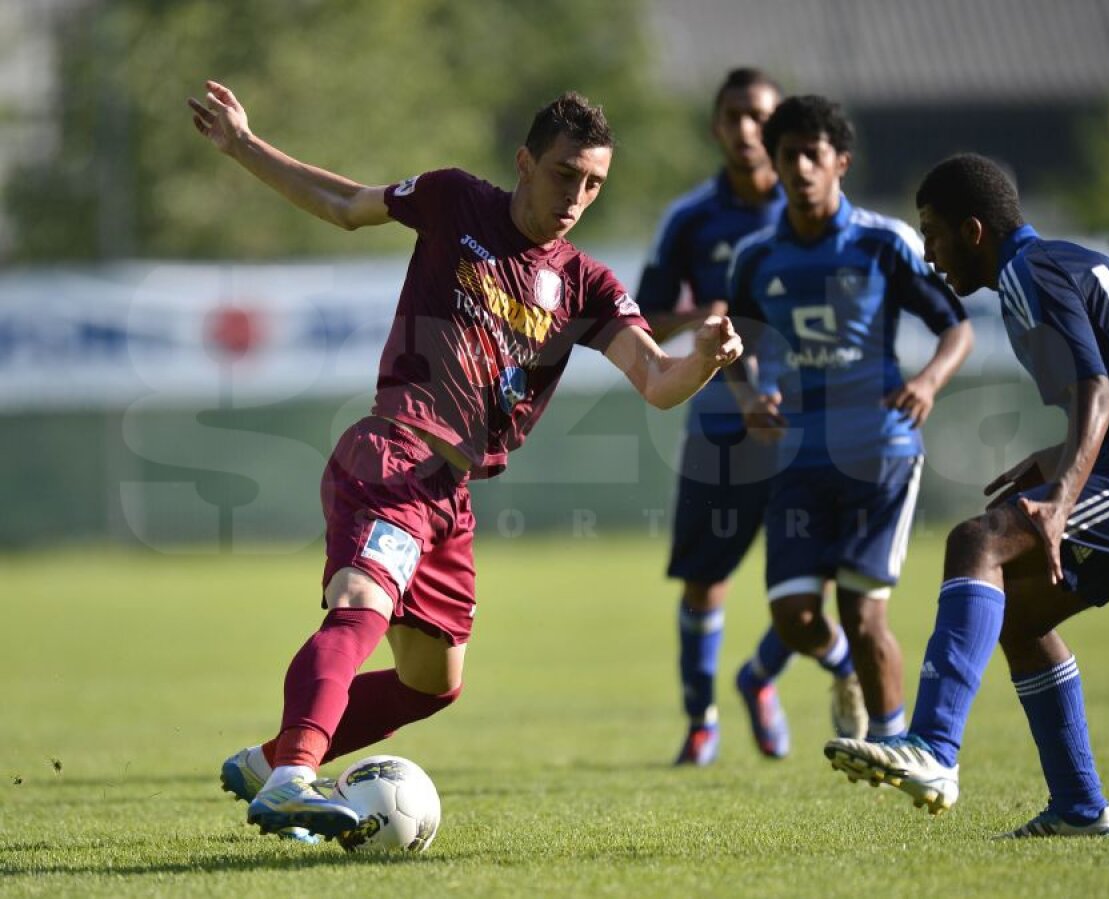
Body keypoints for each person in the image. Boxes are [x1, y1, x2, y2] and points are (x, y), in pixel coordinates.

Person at [186, 80, 744, 841]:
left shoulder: (587, 284)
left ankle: (268, 759)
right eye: (563, 174)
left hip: (449, 493)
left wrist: (706, 357)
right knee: (360, 602)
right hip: (393, 451)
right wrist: (246, 145)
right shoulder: (455, 201)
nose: (576, 196)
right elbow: (349, 206)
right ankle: (291, 780)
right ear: (523, 162)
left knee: (431, 683)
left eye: (592, 183)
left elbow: (655, 380)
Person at [824, 153, 1109, 838]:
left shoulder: (1027, 273)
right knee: (1020, 617)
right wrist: (1058, 460)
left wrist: (1060, 498)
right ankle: (1081, 807)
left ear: (973, 231)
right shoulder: (1060, 261)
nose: (929, 254)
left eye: (933, 234)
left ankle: (934, 748)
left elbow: (1103, 393)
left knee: (978, 541)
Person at [725, 96, 972, 750]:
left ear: (841, 162)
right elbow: (731, 340)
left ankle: (897, 748)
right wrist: (749, 394)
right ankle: (842, 673)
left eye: (815, 154)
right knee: (796, 615)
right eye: (789, 156)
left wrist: (926, 381)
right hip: (796, 459)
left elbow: (957, 324)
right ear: (773, 166)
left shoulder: (881, 242)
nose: (802, 167)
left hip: (879, 453)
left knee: (864, 617)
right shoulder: (755, 258)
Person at [637, 68, 840, 766]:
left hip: (808, 422)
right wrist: (702, 317)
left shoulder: (815, 210)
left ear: (781, 124)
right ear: (715, 127)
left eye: (759, 115)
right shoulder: (691, 218)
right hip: (722, 423)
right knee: (706, 578)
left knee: (821, 577)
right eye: (733, 116)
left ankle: (760, 676)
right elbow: (644, 318)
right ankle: (702, 722)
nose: (747, 129)